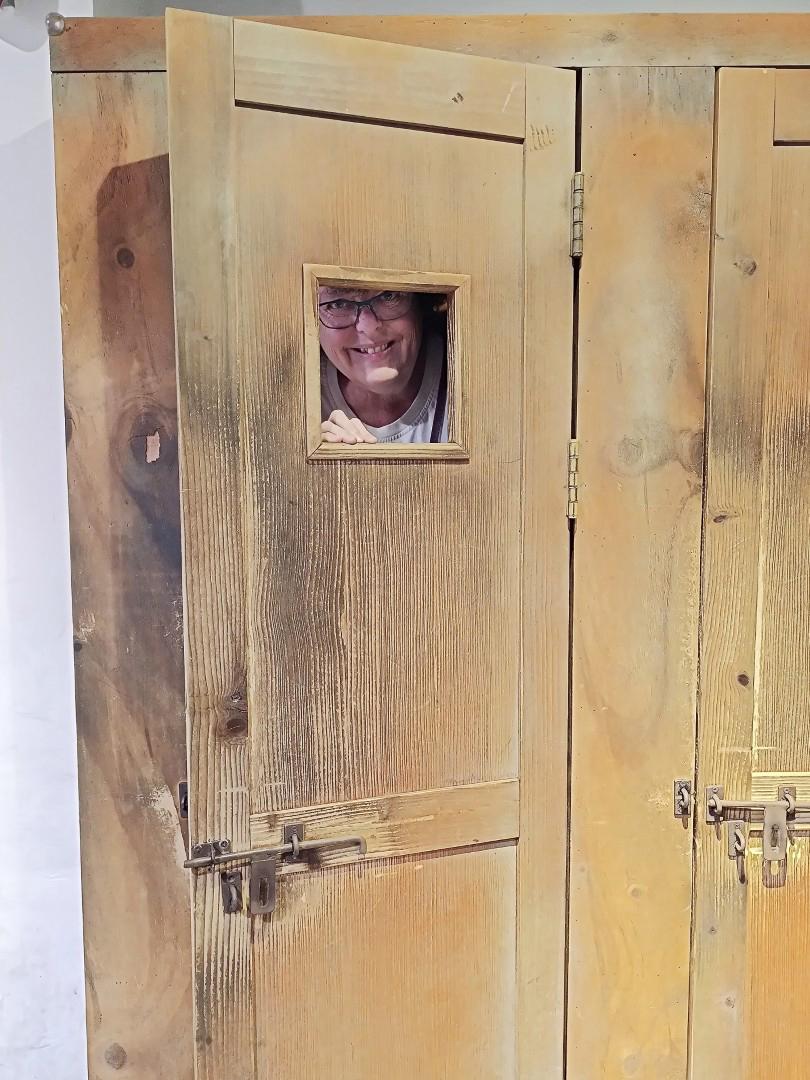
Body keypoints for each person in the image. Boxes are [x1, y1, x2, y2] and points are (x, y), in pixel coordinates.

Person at [319, 285, 448, 445]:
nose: (368, 327)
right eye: (339, 304)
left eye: (388, 295)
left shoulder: (468, 373)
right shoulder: (299, 397)